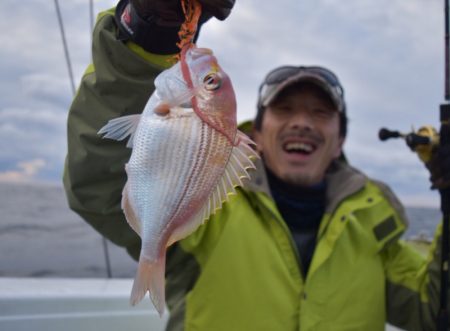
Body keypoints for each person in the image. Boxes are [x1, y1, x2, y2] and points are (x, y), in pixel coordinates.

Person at [63, 0, 450, 330]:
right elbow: (99, 182)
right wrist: (147, 35)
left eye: (320, 112)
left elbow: (436, 310)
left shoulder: (377, 226)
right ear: (256, 134)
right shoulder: (209, 215)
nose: (302, 122)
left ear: (340, 141)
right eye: (284, 109)